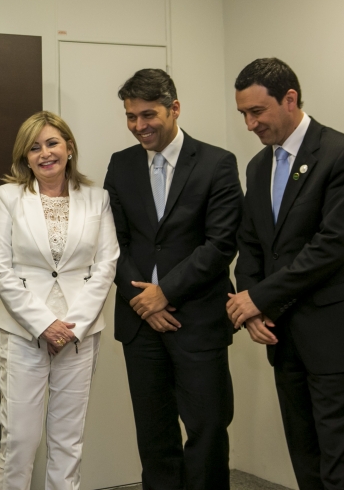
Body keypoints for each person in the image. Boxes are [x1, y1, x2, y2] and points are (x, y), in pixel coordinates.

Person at [228, 58, 344, 489]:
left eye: (257, 112)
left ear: (290, 99)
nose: (250, 124)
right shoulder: (258, 167)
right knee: (304, 453)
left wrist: (259, 297)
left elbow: (331, 246)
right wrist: (251, 306)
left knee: (342, 459)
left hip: (335, 339)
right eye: (243, 114)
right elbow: (251, 244)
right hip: (282, 336)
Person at [104, 69, 242, 489]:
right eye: (131, 116)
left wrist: (165, 293)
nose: (139, 126)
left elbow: (220, 245)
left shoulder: (217, 162)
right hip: (140, 325)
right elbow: (113, 243)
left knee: (207, 430)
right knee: (154, 436)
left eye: (148, 115)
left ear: (174, 108)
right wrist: (141, 302)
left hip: (197, 320)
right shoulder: (121, 164)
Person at [0, 111, 119, 490]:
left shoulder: (98, 199)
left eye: (52, 143)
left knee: (68, 441)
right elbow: (1, 268)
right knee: (19, 441)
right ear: (25, 157)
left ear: (69, 148)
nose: (45, 153)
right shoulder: (8, 197)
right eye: (34, 147)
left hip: (79, 335)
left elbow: (106, 265)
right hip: (24, 332)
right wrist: (45, 324)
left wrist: (71, 326)